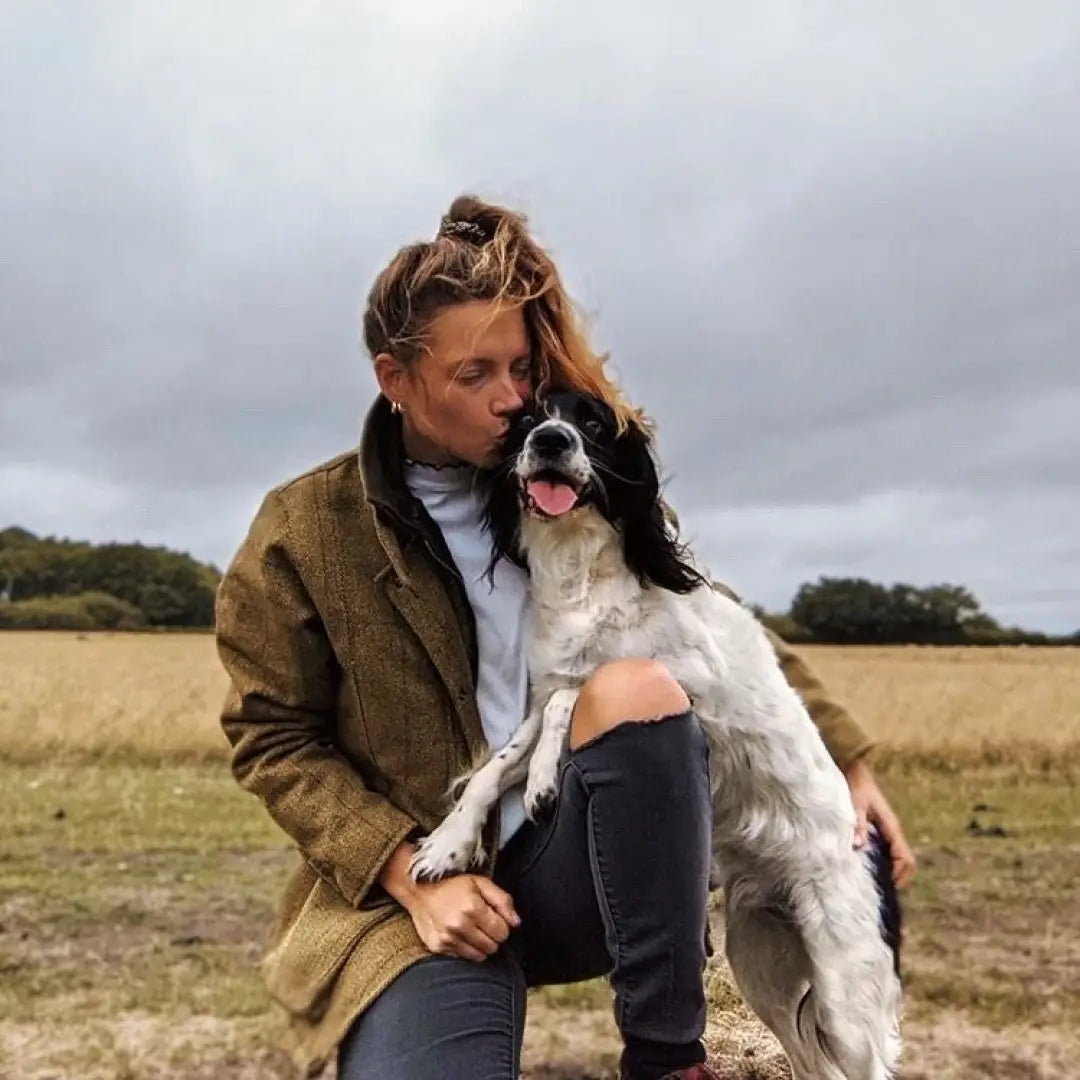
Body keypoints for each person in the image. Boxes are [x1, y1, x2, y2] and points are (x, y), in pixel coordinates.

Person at [214, 195, 916, 1080]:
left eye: (520, 367)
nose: (513, 398)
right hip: (419, 902)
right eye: (475, 374)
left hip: (589, 864)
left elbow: (703, 611)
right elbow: (273, 736)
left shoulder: (572, 479)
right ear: (396, 378)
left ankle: (667, 1058)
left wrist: (848, 761)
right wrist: (403, 872)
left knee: (636, 688)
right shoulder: (305, 529)